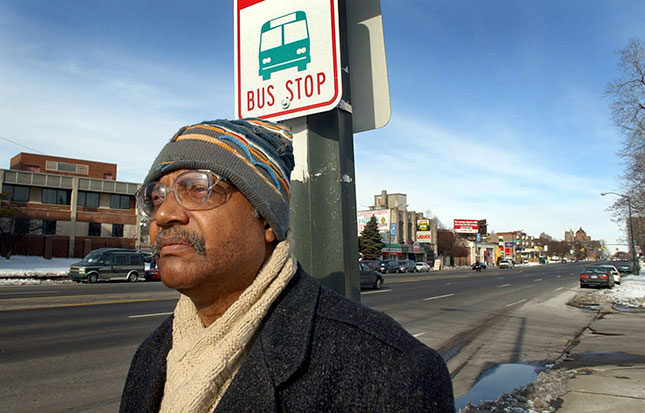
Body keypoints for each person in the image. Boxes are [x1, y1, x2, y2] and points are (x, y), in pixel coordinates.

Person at [120, 118, 454, 412]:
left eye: (196, 189)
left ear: (266, 220)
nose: (163, 215)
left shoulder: (389, 370)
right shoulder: (153, 355)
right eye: (157, 197)